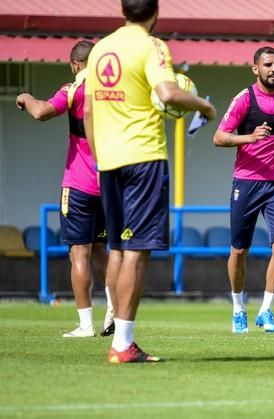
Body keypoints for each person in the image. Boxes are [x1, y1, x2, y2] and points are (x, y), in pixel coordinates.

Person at [84, 0, 216, 363]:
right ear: (156, 13)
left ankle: (117, 332)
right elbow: (168, 94)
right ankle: (123, 343)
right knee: (137, 252)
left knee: (117, 248)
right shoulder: (152, 45)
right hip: (143, 158)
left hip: (109, 162)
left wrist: (99, 158)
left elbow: (89, 111)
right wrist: (203, 107)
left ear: (123, 9)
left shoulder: (99, 49)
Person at [16, 40, 115, 338]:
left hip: (80, 185)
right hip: (110, 185)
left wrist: (25, 97)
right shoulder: (114, 92)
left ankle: (85, 324)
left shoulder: (74, 89)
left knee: (79, 253)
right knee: (102, 251)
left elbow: (42, 112)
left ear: (74, 64)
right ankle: (115, 308)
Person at [213, 46, 274, 334]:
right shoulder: (244, 100)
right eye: (267, 65)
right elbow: (219, 138)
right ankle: (239, 309)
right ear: (256, 69)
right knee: (239, 252)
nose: (273, 69)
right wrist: (250, 137)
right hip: (246, 182)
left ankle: (266, 311)